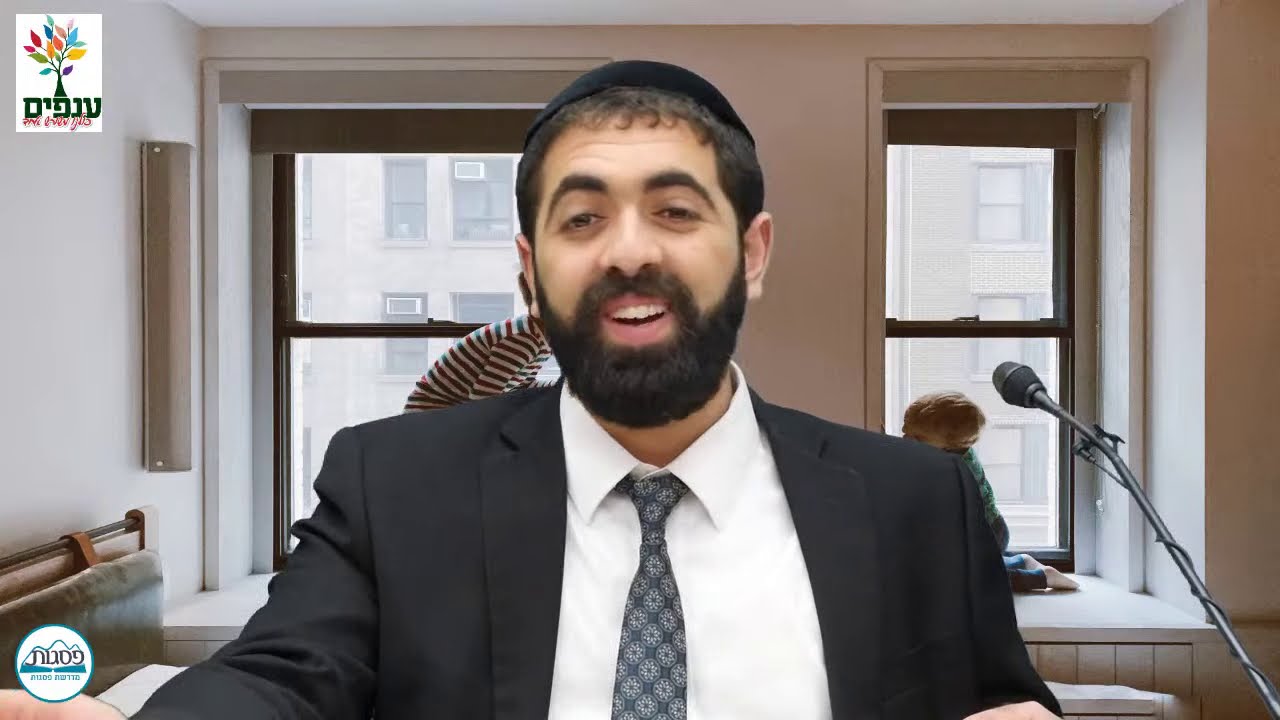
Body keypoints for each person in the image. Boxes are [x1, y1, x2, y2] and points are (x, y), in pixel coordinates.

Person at [0, 60, 1062, 719]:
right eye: (581, 218)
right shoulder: (390, 483)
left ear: (752, 253)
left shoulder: (912, 497)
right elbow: (281, 677)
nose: (628, 251)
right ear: (527, 269)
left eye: (676, 211)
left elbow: (996, 701)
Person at [902, 392, 1080, 593]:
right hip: (972, 532)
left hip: (987, 534)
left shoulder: (954, 471)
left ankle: (1040, 577)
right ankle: (1019, 561)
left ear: (952, 444)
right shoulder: (942, 455)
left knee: (959, 579)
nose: (905, 439)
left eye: (917, 438)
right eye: (904, 429)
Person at [402, 272, 556, 413]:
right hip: (431, 414)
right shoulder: (523, 340)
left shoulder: (536, 335)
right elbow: (482, 401)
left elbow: (521, 386)